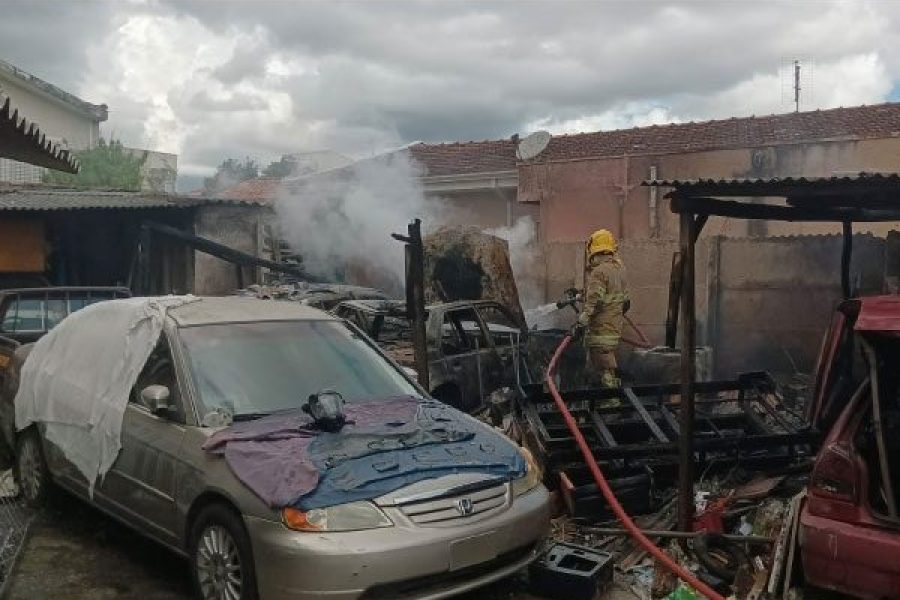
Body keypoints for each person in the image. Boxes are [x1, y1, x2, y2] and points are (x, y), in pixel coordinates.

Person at [571, 229, 629, 390]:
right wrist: (582, 294)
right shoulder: (619, 269)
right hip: (614, 327)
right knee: (605, 366)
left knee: (604, 370)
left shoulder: (599, 272)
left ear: (593, 250)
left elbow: (595, 302)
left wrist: (581, 322)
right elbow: (625, 301)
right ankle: (603, 402)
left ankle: (610, 404)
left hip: (600, 330)